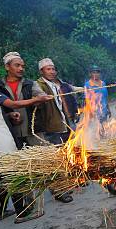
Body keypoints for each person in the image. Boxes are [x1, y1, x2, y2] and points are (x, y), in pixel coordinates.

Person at [0, 61, 51, 223]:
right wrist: (36, 100)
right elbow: (11, 103)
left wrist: (9, 116)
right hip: (0, 139)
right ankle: (23, 212)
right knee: (14, 171)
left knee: (3, 174)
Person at [34, 58, 74, 204]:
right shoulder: (39, 85)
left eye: (53, 69)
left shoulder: (57, 85)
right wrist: (41, 97)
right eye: (48, 69)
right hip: (50, 128)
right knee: (55, 161)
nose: (52, 71)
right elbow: (37, 95)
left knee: (65, 157)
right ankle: (59, 191)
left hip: (63, 125)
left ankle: (66, 184)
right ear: (41, 71)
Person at [0, 52, 46, 148]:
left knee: (41, 160)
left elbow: (42, 96)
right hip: (10, 133)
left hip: (32, 131)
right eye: (17, 65)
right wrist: (9, 115)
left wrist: (41, 99)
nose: (21, 69)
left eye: (22, 66)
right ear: (7, 67)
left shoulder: (30, 84)